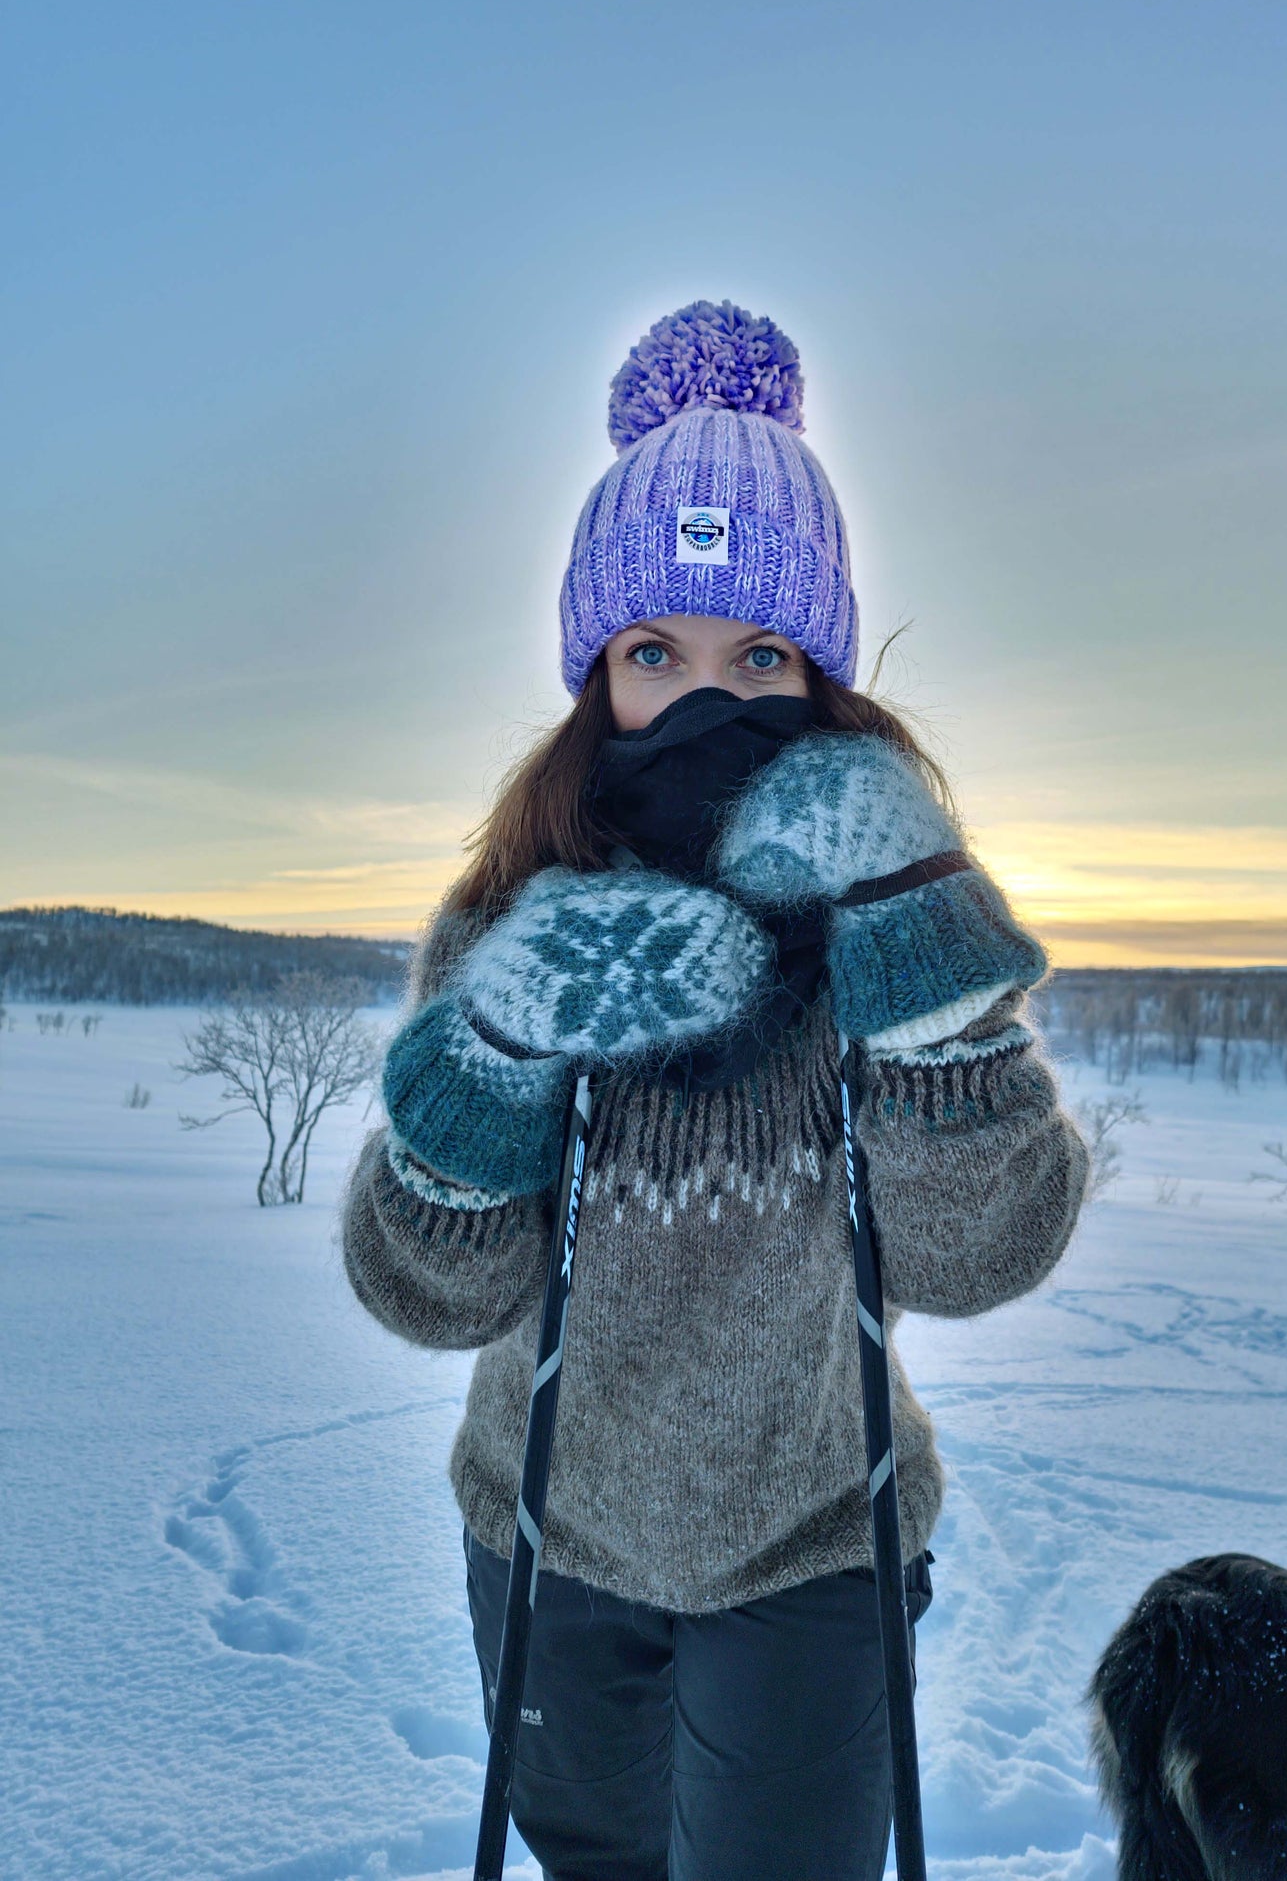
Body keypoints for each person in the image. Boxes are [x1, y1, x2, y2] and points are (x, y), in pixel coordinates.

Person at [340, 298, 1090, 1881]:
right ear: (591, 679)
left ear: (821, 678)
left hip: (817, 1547)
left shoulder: (879, 906)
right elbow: (425, 1293)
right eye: (650, 654)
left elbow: (976, 1256)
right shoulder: (505, 921)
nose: (703, 700)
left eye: (760, 654)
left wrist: (933, 979)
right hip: (545, 1543)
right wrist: (493, 1071)